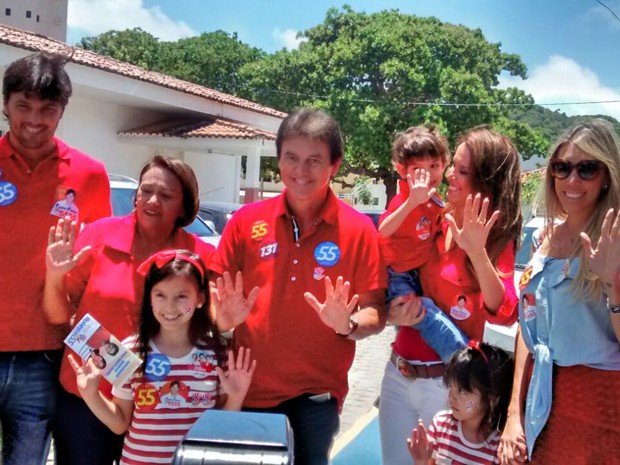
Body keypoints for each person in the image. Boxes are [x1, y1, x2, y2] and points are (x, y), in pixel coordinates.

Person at [209, 108, 387, 465]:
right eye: (291, 158)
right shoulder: (245, 222)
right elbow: (214, 301)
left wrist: (348, 325)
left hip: (316, 399)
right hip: (247, 390)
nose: (301, 171)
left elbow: (376, 311)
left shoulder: (359, 230)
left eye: (313, 160)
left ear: (334, 166)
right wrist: (222, 320)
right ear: (278, 160)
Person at [43, 155, 214, 465]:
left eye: (165, 195)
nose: (152, 200)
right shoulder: (97, 236)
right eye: (145, 190)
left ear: (184, 207)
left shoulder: (200, 256)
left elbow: (214, 322)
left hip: (163, 408)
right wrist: (54, 276)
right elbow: (58, 315)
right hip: (90, 396)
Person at [380, 126, 522, 465]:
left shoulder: (493, 235)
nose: (447, 177)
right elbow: (393, 264)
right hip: (398, 373)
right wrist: (390, 314)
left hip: (448, 388)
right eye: (451, 167)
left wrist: (476, 252)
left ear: (485, 181)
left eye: (461, 171)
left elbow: (504, 311)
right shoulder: (435, 218)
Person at [0, 52, 111, 465]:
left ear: (62, 112)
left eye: (48, 109)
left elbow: (100, 270)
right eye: (23, 106)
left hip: (46, 355)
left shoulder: (89, 175)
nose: (34, 119)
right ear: (5, 104)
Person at [498, 120, 620, 465]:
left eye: (587, 169)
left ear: (607, 175)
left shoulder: (615, 242)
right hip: (543, 397)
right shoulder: (542, 239)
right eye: (562, 168)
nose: (572, 180)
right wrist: (513, 413)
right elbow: (529, 327)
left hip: (602, 404)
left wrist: (612, 284)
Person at [69, 249, 255, 465]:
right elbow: (120, 423)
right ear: (149, 298)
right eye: (160, 295)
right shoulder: (132, 349)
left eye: (181, 296)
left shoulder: (218, 352)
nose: (169, 306)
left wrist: (236, 397)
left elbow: (222, 426)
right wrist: (91, 394)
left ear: (201, 299)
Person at [379, 126, 468, 362]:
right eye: (418, 170)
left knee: (411, 323)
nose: (428, 175)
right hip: (398, 275)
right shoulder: (404, 199)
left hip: (417, 273)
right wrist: (410, 203)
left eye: (434, 166)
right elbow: (383, 229)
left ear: (444, 165)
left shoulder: (435, 200)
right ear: (401, 170)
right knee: (423, 313)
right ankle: (461, 359)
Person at [408, 341, 514, 465]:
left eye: (462, 391)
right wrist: (420, 460)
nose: (452, 397)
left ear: (492, 397)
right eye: (451, 387)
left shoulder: (499, 446)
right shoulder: (441, 424)